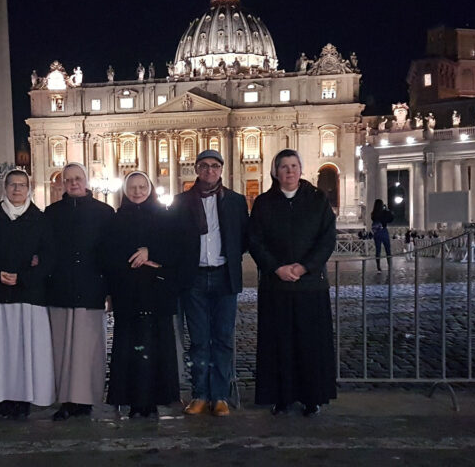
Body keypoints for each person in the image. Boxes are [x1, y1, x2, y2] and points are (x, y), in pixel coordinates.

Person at [249, 149, 337, 417]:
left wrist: (304, 266)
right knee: (279, 345)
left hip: (310, 285)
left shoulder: (317, 199)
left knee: (310, 343)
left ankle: (312, 397)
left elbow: (327, 240)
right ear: (275, 172)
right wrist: (276, 267)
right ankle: (281, 396)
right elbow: (255, 241)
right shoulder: (263, 203)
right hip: (276, 285)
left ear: (301, 169)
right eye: (284, 166)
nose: (289, 171)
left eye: (294, 166)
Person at [0, 169, 55, 420]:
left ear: (29, 189)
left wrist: (24, 278)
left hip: (29, 296)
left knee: (25, 351)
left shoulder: (40, 220)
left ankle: (24, 398)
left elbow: (50, 257)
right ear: (5, 188)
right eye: (12, 185)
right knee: (0, 352)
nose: (17, 189)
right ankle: (3, 398)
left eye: (22, 185)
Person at [101, 171, 185, 418]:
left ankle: (154, 400)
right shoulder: (116, 219)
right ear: (125, 191)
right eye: (132, 187)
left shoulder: (165, 217)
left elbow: (176, 248)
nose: (137, 192)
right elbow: (108, 254)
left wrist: (151, 252)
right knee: (129, 346)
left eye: (142, 187)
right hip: (127, 292)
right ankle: (133, 400)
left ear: (150, 189)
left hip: (156, 291)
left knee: (156, 345)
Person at [172, 149, 248, 417]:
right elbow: (173, 238)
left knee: (223, 338)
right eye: (204, 165)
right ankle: (200, 394)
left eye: (214, 165)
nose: (209, 170)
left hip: (224, 275)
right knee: (199, 339)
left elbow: (244, 237)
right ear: (196, 169)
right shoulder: (181, 202)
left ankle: (220, 396)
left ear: (221, 170)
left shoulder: (236, 201)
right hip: (193, 278)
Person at [43, 163, 115, 421]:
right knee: (61, 347)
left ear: (86, 181)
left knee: (89, 348)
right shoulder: (51, 213)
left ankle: (85, 400)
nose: (73, 183)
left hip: (91, 287)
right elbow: (45, 250)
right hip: (61, 287)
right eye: (68, 179)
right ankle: (66, 400)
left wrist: (110, 290)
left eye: (78, 178)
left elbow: (111, 254)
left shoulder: (105, 213)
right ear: (62, 183)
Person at [371, 199, 394, 272]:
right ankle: (389, 266)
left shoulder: (373, 214)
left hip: (376, 232)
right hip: (383, 231)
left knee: (378, 250)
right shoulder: (384, 212)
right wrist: (387, 210)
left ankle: (378, 267)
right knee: (388, 249)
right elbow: (390, 219)